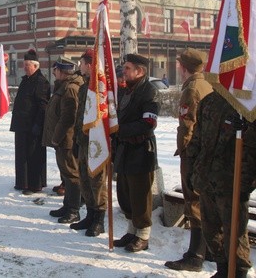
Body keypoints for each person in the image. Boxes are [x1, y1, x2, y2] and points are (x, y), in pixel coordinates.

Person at [186, 91, 256, 277]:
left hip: (232, 180)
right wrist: (190, 164)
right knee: (210, 229)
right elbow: (198, 136)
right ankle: (222, 269)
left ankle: (239, 272)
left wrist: (248, 131)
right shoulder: (209, 100)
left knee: (235, 232)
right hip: (206, 177)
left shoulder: (248, 103)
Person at [164, 48, 213, 271]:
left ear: (183, 67)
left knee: (194, 200)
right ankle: (210, 250)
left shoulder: (192, 89)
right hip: (206, 151)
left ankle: (195, 255)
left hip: (194, 153)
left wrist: (184, 151)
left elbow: (188, 125)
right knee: (205, 200)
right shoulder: (207, 84)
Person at [112, 53, 160, 252]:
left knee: (140, 195)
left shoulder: (149, 91)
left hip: (141, 150)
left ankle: (143, 235)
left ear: (140, 71)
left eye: (128, 68)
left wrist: (120, 130)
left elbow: (148, 123)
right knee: (125, 193)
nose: (124, 71)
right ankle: (132, 231)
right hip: (124, 150)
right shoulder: (126, 90)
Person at [70, 49, 107, 236]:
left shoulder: (100, 88)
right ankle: (90, 215)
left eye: (82, 63)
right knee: (84, 179)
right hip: (83, 141)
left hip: (96, 142)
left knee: (97, 182)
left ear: (90, 65)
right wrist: (77, 139)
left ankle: (99, 219)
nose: (79, 66)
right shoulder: (85, 87)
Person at [43, 56, 83, 223]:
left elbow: (68, 117)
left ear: (61, 72)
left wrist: (56, 137)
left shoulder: (70, 88)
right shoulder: (64, 86)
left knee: (71, 174)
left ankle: (74, 209)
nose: (54, 73)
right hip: (61, 139)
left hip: (66, 139)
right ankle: (67, 206)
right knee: (66, 174)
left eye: (56, 71)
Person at [10, 49, 51, 194]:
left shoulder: (41, 82)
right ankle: (23, 182)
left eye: (28, 65)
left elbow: (43, 105)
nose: (25, 67)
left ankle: (34, 184)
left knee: (33, 156)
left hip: (33, 125)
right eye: (24, 64)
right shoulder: (26, 80)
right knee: (22, 155)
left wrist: (37, 124)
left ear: (35, 66)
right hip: (22, 125)